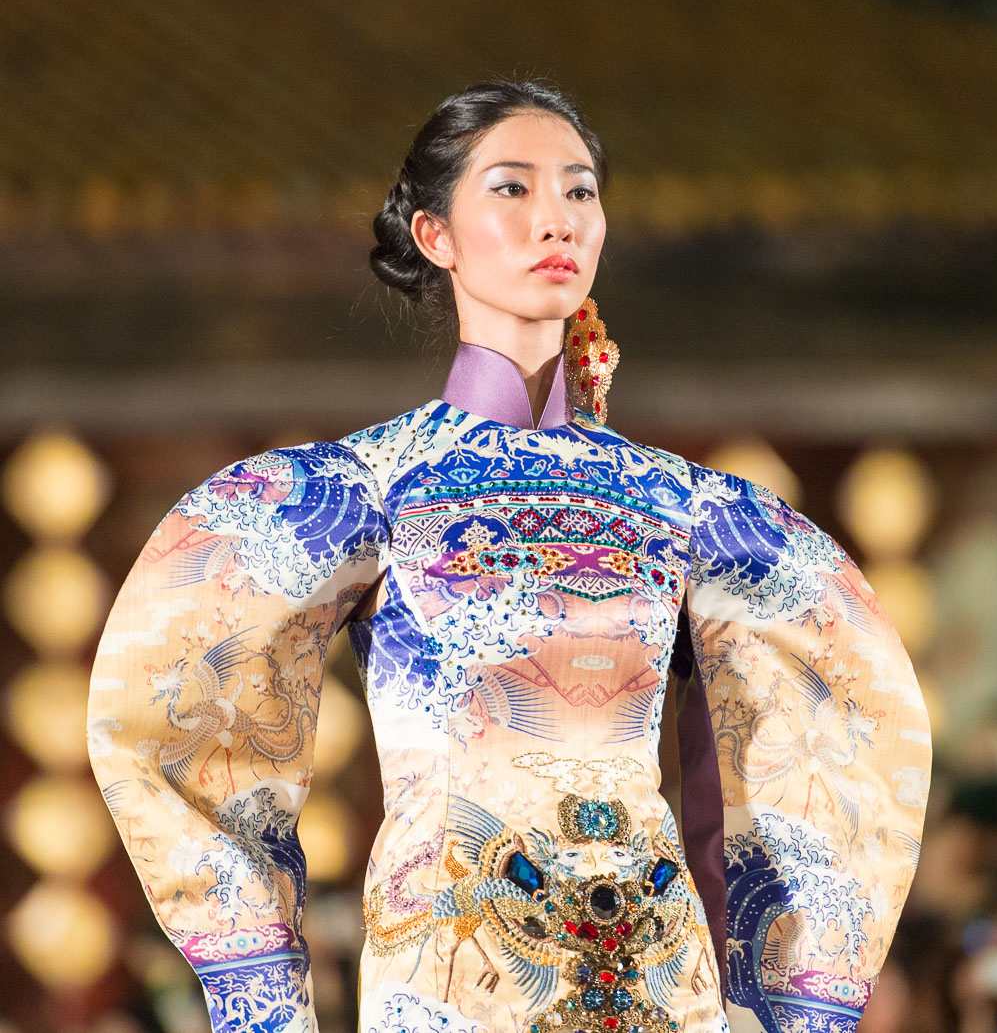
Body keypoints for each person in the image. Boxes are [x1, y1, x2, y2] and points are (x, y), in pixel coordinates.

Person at [87, 77, 933, 1033]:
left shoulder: (691, 507)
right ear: (434, 235)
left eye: (579, 191)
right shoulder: (370, 490)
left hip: (656, 973)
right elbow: (181, 715)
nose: (556, 220)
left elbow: (832, 720)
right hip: (456, 966)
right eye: (513, 188)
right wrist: (261, 996)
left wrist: (787, 1002)